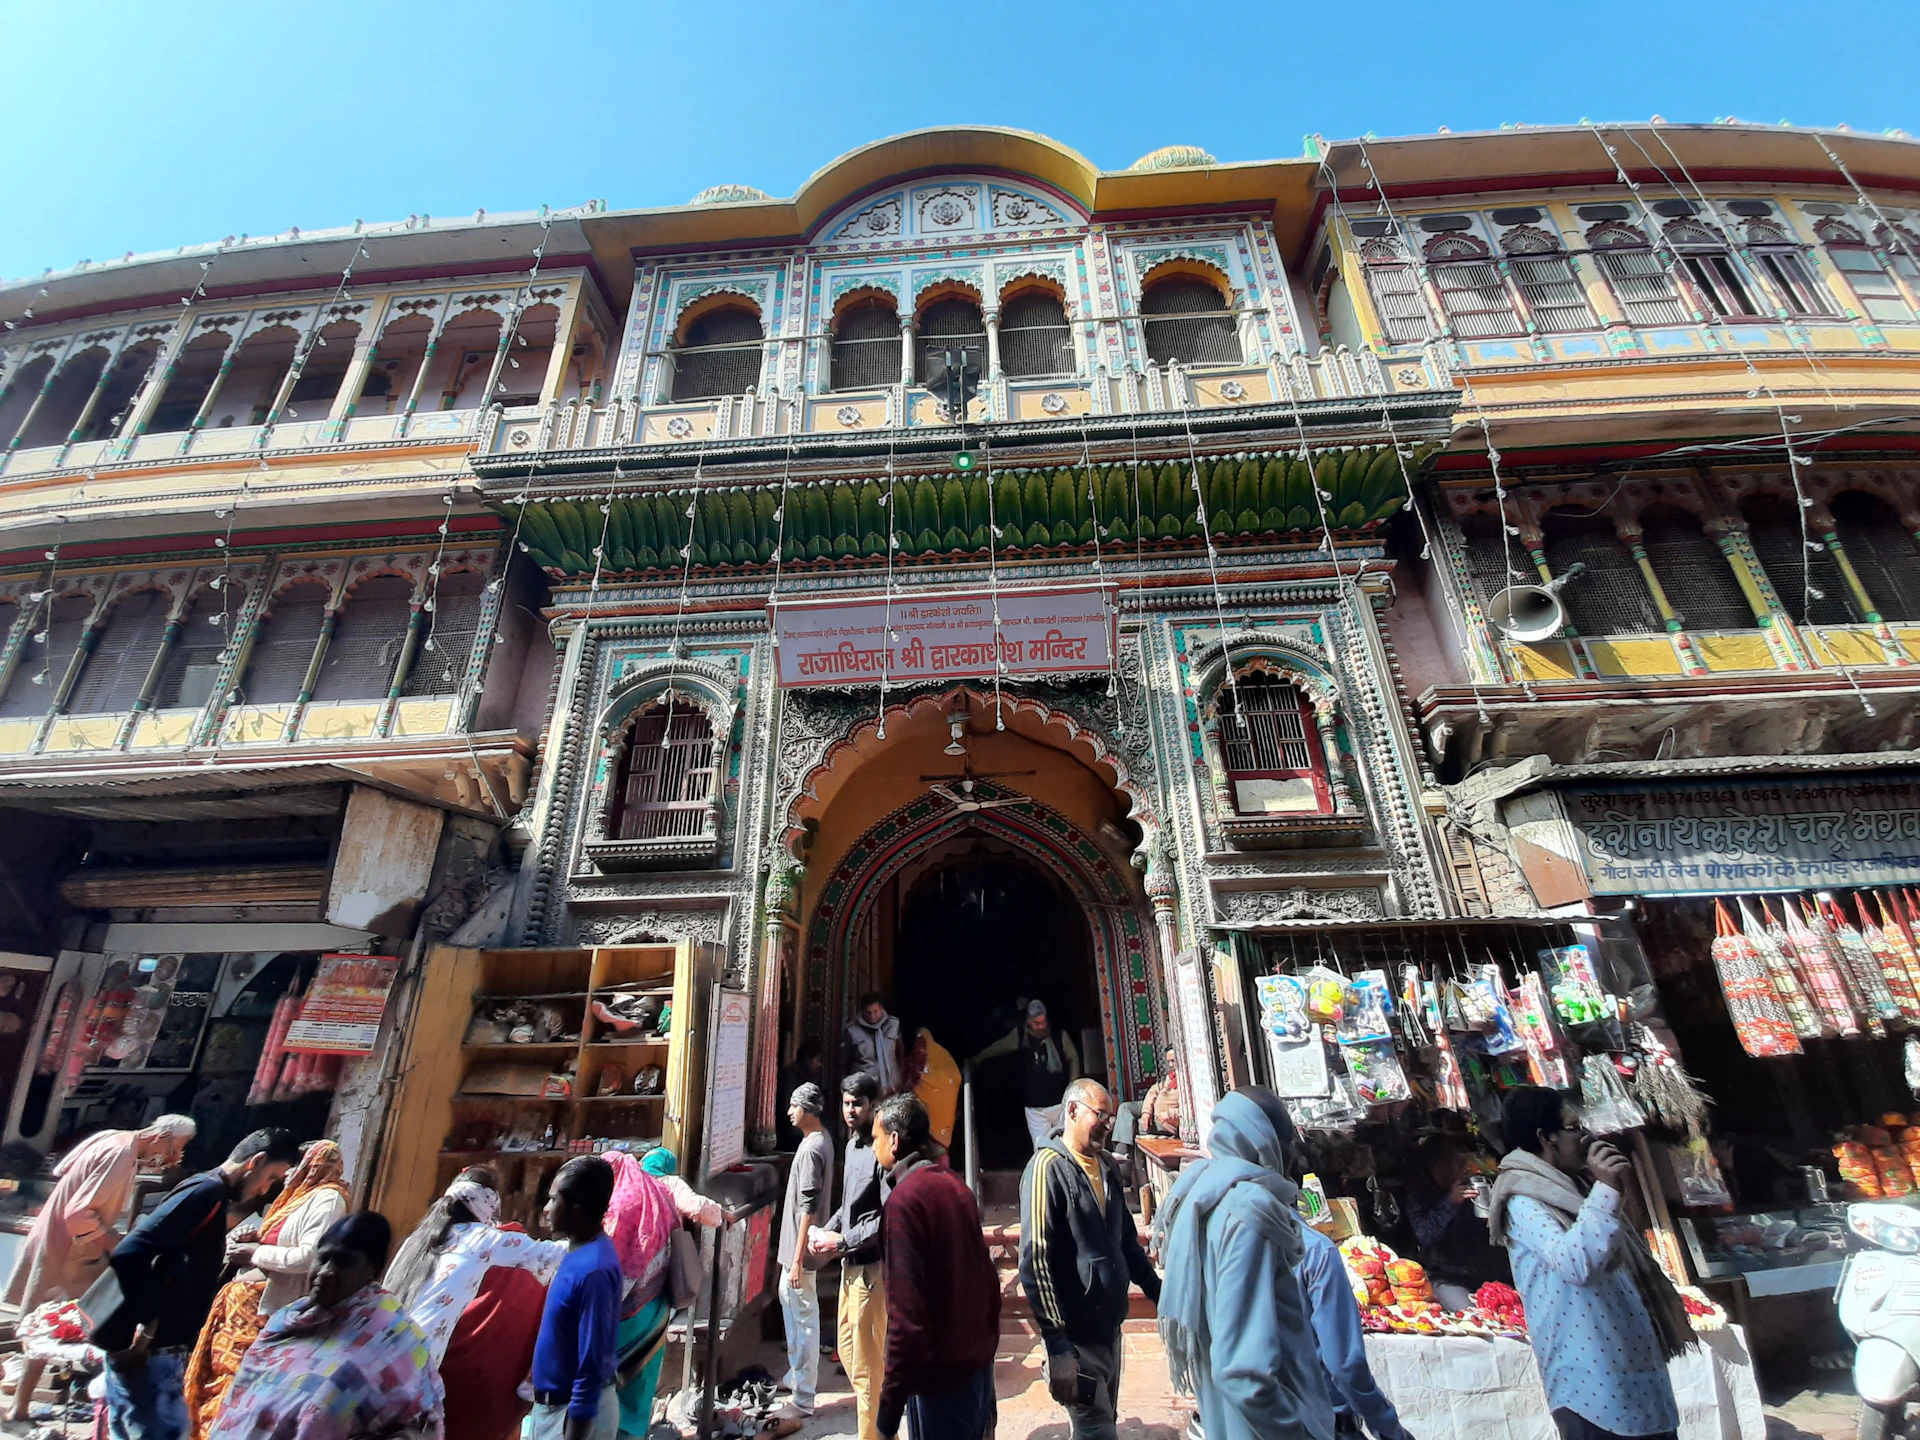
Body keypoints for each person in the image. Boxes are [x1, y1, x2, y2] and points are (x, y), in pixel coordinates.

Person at [1489, 1087, 1694, 1440]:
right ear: (1546, 1138)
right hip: (1589, 1379)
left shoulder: (1578, 1185)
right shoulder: (1522, 1199)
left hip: (1634, 1364)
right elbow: (1576, 1264)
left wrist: (1605, 1189)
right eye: (1574, 1128)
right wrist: (1607, 1190)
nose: (1586, 1135)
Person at [1153, 1088, 1333, 1440]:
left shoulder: (1204, 1189)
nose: (1292, 1153)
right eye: (1285, 1140)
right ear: (1263, 1141)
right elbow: (1242, 1371)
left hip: (1226, 1418)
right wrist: (1296, 1431)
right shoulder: (1249, 1212)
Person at [104, 1126, 300, 1440]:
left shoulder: (212, 1195)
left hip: (160, 1347)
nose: (265, 1190)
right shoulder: (204, 1191)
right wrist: (147, 1324)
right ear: (256, 1161)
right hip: (153, 1349)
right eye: (271, 1178)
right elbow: (129, 1252)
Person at [2, 1115, 195, 1422]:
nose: (171, 1158)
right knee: (59, 1324)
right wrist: (115, 1242)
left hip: (61, 1241)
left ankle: (22, 1405)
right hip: (70, 1250)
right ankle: (27, 1406)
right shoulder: (119, 1154)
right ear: (160, 1136)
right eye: (172, 1150)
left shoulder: (115, 1138)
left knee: (46, 1324)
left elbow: (62, 1171)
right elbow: (78, 1214)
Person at [206, 1212, 444, 1440]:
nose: (326, 1272)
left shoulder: (391, 1336)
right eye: (322, 1259)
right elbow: (241, 1400)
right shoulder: (286, 1322)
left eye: (344, 1263)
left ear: (373, 1268)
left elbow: (420, 1424)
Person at [1018, 1078, 1159, 1440]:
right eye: (1100, 1115)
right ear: (1072, 1111)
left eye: (1111, 1118)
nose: (1107, 1125)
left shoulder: (1107, 1166)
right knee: (1096, 1430)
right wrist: (1057, 1344)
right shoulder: (1047, 1168)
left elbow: (1126, 1240)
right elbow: (1035, 1260)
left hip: (1109, 1331)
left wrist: (1157, 1292)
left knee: (1104, 1420)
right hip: (1075, 1340)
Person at [182, 1138, 350, 1438]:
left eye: (293, 1167)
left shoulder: (327, 1199)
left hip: (266, 1312)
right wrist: (255, 1239)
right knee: (218, 1379)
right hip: (243, 1309)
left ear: (311, 1165)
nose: (286, 1174)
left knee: (237, 1385)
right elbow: (283, 1242)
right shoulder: (296, 1198)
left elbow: (309, 1257)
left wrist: (255, 1253)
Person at [871, 1093, 999, 1440]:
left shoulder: (905, 1203)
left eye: (876, 1138)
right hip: (976, 1370)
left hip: (940, 1382)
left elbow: (906, 1322)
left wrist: (886, 1419)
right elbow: (989, 1282)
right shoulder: (954, 1186)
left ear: (894, 1141)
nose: (873, 1147)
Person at [387, 1167, 567, 1366]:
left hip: (381, 1346)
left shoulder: (416, 1240)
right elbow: (552, 1253)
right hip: (414, 1360)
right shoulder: (479, 1237)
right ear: (488, 1204)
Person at [808, 1073, 886, 1440]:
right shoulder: (853, 1147)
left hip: (871, 1268)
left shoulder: (882, 1150)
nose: (851, 1111)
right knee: (849, 1352)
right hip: (848, 1268)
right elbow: (848, 1207)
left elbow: (886, 1219)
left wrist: (841, 1242)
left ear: (873, 1105)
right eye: (846, 1103)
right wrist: (826, 1231)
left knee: (869, 1368)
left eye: (858, 1104)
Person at [532, 1155, 624, 1440]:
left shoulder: (594, 1270)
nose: (546, 1209)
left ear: (577, 1207)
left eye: (553, 1200)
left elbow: (592, 1362)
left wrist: (576, 1432)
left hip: (573, 1418)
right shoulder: (578, 1252)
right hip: (554, 1411)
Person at [602, 1149, 682, 1437]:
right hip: (656, 1305)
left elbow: (613, 1265)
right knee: (640, 1385)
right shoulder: (659, 1193)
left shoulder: (618, 1206)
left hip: (623, 1313)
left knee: (608, 1385)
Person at [776, 1083, 833, 1421]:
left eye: (794, 1106)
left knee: (804, 1318)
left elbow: (807, 1208)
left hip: (802, 1250)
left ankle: (803, 1396)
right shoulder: (817, 1140)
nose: (789, 1112)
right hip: (798, 1248)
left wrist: (797, 1260)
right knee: (792, 1303)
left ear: (808, 1110)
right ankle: (796, 1378)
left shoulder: (813, 1149)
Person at [1405, 1133, 1510, 1309]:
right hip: (1448, 1276)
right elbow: (1424, 1234)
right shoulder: (1421, 1192)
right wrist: (1451, 1201)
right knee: (1469, 1312)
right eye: (1457, 1161)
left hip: (1489, 1272)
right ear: (1438, 1165)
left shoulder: (1475, 1185)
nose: (1464, 1167)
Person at [973, 1000, 1081, 1148]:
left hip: (1061, 1104)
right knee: (1042, 1149)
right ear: (1029, 1021)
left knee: (1067, 1146)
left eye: (1043, 1022)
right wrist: (978, 1058)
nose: (1041, 1026)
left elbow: (1073, 1058)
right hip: (1035, 1108)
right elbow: (999, 1047)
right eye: (1037, 1023)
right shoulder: (1020, 1035)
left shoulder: (1059, 1035)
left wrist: (1072, 1087)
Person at [904, 1028, 960, 1149]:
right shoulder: (944, 1056)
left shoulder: (920, 1054)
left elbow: (907, 1083)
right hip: (943, 1135)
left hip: (929, 1134)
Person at [844, 993, 906, 1097]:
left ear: (881, 1009)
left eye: (875, 1011)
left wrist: (901, 1077)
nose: (872, 1016)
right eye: (868, 1013)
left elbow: (900, 1052)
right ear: (862, 1011)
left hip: (892, 1087)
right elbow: (843, 1063)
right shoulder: (852, 1030)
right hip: (865, 1090)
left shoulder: (893, 1025)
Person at [1139, 1048, 1183, 1137]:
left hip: (1165, 1120)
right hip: (1153, 1108)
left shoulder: (1187, 1082)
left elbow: (1189, 1110)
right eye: (1169, 1061)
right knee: (1125, 1108)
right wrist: (1146, 1112)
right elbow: (1153, 1091)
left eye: (1173, 1061)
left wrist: (1169, 1114)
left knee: (1138, 1126)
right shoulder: (1169, 1077)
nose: (1170, 1065)